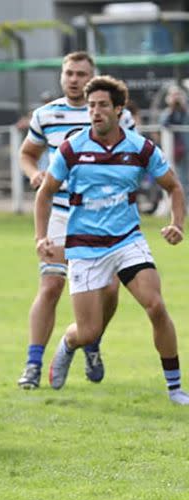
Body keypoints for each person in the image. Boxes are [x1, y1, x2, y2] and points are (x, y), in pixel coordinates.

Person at [36, 76, 189, 405]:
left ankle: (175, 388)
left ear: (119, 110)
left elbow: (174, 187)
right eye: (91, 106)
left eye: (103, 105)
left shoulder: (140, 147)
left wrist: (177, 223)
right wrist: (41, 237)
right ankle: (68, 343)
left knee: (156, 305)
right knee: (88, 332)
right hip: (85, 248)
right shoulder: (72, 149)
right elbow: (45, 193)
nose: (95, 111)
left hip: (126, 241)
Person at [17, 52, 136, 389]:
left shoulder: (113, 115)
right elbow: (28, 153)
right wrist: (34, 173)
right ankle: (33, 364)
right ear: (61, 76)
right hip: (59, 213)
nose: (73, 79)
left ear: (93, 77)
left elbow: (133, 154)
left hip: (101, 216)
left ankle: (91, 339)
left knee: (110, 289)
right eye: (68, 73)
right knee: (51, 284)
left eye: (81, 73)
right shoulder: (46, 114)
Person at [158, 85, 189, 203]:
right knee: (178, 178)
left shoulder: (185, 111)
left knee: (186, 177)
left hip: (186, 149)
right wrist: (171, 108)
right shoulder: (167, 113)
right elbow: (164, 123)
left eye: (178, 95)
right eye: (173, 96)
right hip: (173, 151)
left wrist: (183, 106)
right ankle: (180, 203)